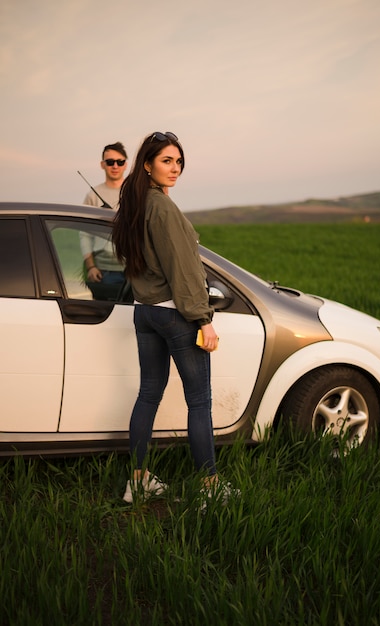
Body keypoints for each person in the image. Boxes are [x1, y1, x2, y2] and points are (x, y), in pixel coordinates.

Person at [112, 131, 239, 507]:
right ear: (148, 164)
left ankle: (137, 482)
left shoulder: (136, 205)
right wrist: (203, 319)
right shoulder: (163, 208)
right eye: (167, 160)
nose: (175, 168)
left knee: (148, 394)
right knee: (199, 402)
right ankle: (210, 489)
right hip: (174, 313)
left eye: (179, 161)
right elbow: (182, 268)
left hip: (144, 311)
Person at [80, 142, 128, 300]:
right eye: (110, 162)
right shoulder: (93, 195)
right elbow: (84, 233)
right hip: (104, 271)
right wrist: (91, 266)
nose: (115, 166)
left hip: (135, 271)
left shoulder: (135, 193)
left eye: (120, 162)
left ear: (125, 164)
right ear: (103, 164)